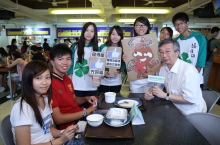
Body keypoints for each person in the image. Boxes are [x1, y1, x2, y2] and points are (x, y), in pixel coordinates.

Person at [10, 60, 78, 145]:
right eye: (38, 78)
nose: (45, 82)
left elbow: (48, 130)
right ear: (28, 80)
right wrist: (60, 140)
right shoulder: (23, 108)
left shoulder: (45, 99)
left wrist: (63, 133)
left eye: (47, 77)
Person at [144, 38, 207, 115]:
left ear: (177, 53)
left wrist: (165, 95)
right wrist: (150, 93)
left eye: (167, 51)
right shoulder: (163, 69)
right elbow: (158, 86)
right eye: (161, 52)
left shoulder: (188, 71)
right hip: (173, 106)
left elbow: (190, 100)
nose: (164, 55)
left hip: (191, 112)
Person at [50, 44, 97, 130]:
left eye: (68, 59)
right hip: (71, 126)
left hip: (80, 116)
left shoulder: (67, 79)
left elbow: (74, 100)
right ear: (52, 62)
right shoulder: (49, 84)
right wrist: (86, 112)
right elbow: (58, 119)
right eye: (60, 59)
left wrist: (86, 98)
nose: (65, 62)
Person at [67, 22, 99, 101]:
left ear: (94, 33)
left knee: (91, 107)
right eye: (87, 30)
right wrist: (69, 77)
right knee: (78, 107)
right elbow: (70, 64)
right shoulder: (75, 46)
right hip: (77, 84)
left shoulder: (96, 48)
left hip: (92, 84)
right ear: (83, 32)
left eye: (92, 31)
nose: (89, 33)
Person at [172, 12, 206, 84]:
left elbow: (201, 58)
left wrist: (194, 75)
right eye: (176, 24)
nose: (179, 26)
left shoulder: (200, 38)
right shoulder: (175, 41)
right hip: (179, 77)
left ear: (187, 23)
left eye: (181, 23)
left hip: (195, 77)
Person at [123, 16, 155, 93]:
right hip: (135, 81)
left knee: (149, 102)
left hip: (150, 80)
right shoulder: (129, 44)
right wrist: (124, 58)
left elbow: (160, 62)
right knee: (136, 102)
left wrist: (154, 73)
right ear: (134, 27)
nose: (141, 27)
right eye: (138, 25)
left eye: (144, 25)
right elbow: (129, 62)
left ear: (148, 27)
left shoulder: (154, 43)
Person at [98, 25, 125, 93]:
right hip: (103, 81)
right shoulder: (103, 47)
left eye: (118, 35)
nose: (115, 37)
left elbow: (124, 64)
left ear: (121, 37)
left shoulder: (123, 48)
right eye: (113, 34)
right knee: (103, 100)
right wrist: (104, 72)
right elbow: (97, 61)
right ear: (109, 35)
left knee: (114, 99)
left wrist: (120, 70)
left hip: (116, 81)